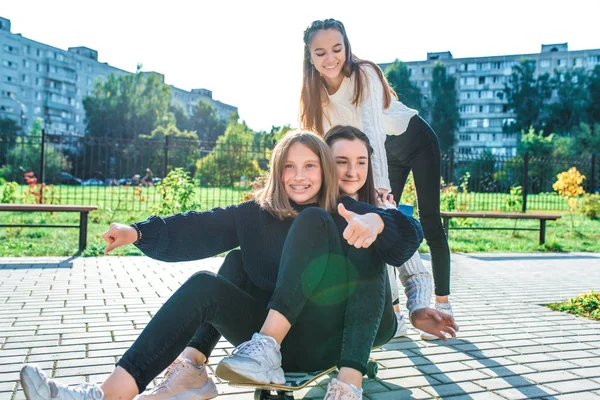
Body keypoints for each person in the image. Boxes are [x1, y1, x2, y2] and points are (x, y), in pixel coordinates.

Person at [19, 131, 455, 400]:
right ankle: (110, 394)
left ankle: (348, 382)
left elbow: (407, 232)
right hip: (285, 350)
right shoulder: (255, 215)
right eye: (289, 167)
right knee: (212, 277)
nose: (299, 176)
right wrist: (138, 231)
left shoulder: (346, 209)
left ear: (323, 170)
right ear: (277, 172)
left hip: (344, 340)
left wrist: (376, 219)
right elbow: (199, 227)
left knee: (351, 236)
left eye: (309, 166)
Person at [299, 18, 454, 340]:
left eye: (337, 49)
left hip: (411, 141)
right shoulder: (313, 95)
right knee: (378, 228)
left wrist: (379, 195)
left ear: (347, 48)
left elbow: (372, 134)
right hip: (372, 155)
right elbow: (319, 144)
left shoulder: (363, 75)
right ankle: (392, 312)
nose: (331, 58)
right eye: (321, 52)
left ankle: (441, 303)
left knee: (420, 219)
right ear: (310, 57)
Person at [324, 125, 434, 339]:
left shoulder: (382, 208)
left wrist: (418, 309)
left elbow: (415, 271)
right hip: (322, 312)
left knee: (364, 241)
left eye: (361, 162)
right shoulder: (313, 205)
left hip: (374, 316)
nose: (352, 172)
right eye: (341, 162)